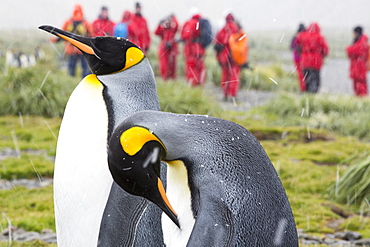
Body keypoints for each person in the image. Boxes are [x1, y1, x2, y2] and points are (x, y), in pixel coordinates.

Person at [61, 4, 92, 77]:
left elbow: (62, 33)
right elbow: (91, 34)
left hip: (71, 48)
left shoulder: (68, 22)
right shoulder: (85, 22)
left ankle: (70, 80)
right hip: (82, 48)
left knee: (71, 67)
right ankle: (84, 80)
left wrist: (55, 40)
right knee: (85, 67)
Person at [296, 23, 329, 93]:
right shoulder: (320, 37)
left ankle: (307, 95)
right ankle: (314, 94)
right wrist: (322, 56)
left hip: (305, 61)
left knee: (306, 79)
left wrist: (302, 52)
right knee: (315, 80)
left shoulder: (303, 36)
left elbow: (297, 44)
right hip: (316, 62)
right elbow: (325, 50)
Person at [214, 13, 240, 100]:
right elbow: (243, 46)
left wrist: (218, 58)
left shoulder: (222, 30)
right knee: (234, 76)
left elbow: (216, 45)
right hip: (235, 57)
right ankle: (233, 95)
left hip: (224, 57)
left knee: (225, 76)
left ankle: (225, 94)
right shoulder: (237, 30)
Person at [181, 8, 206, 86]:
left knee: (191, 67)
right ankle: (199, 85)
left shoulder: (191, 23)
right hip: (200, 48)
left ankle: (193, 86)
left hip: (192, 49)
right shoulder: (201, 22)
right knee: (200, 67)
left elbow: (186, 35)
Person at [154, 14, 179, 80]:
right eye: (166, 22)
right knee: (164, 64)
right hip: (164, 48)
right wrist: (159, 24)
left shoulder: (173, 29)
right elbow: (156, 32)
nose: (167, 23)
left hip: (172, 48)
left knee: (172, 65)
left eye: (169, 22)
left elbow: (177, 26)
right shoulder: (163, 29)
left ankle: (172, 78)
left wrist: (174, 18)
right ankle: (165, 78)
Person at [346, 26, 368, 97]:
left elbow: (354, 51)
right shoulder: (360, 41)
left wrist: (349, 49)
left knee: (360, 86)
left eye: (354, 33)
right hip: (358, 67)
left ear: (357, 33)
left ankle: (362, 99)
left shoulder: (362, 42)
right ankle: (360, 99)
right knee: (357, 85)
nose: (353, 35)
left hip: (360, 67)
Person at [290, 23, 306, 92]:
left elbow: (291, 47)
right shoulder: (306, 36)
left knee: (300, 74)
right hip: (305, 58)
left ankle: (302, 88)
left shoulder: (295, 37)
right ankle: (307, 88)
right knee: (306, 74)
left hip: (297, 58)